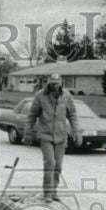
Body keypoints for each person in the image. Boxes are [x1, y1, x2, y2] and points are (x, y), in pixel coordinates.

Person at [25, 73, 81, 202]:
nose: (54, 86)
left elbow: (72, 114)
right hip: (45, 135)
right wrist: (27, 132)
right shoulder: (40, 95)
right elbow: (32, 115)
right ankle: (47, 193)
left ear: (61, 83)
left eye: (57, 83)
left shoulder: (66, 96)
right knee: (50, 163)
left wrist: (76, 131)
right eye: (52, 83)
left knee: (58, 165)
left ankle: (54, 190)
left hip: (61, 136)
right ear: (48, 83)